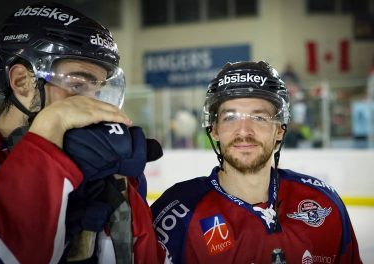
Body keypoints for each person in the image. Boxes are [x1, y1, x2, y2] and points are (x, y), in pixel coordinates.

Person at [0, 2, 160, 263]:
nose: (91, 103)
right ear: (22, 82)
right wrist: (50, 128)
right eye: (77, 85)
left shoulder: (109, 162)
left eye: (97, 89)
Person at [151, 61, 362, 263]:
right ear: (214, 129)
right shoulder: (176, 217)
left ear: (279, 129)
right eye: (230, 117)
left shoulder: (324, 203)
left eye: (259, 118)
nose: (244, 131)